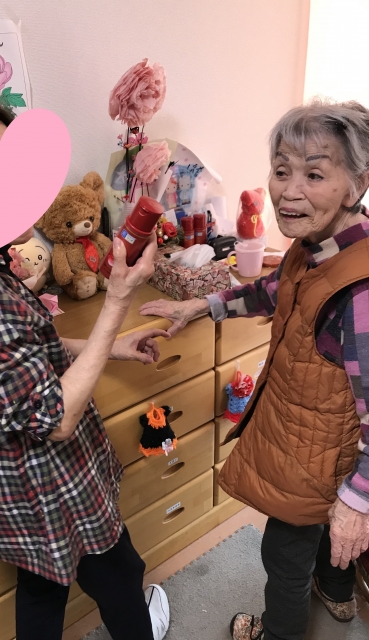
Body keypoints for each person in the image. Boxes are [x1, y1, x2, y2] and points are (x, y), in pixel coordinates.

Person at [0, 87, 171, 640]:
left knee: (44, 587)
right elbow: (55, 418)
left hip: (13, 498)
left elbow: (19, 351)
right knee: (119, 573)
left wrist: (109, 347)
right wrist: (117, 302)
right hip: (44, 490)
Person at [140, 99, 369, 640]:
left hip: (318, 456)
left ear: (356, 185)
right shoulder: (315, 248)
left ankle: (278, 632)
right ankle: (337, 596)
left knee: (284, 557)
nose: (289, 190)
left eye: (315, 174)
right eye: (282, 170)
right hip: (320, 440)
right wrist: (199, 307)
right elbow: (273, 290)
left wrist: (359, 499)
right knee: (324, 535)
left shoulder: (360, 294)